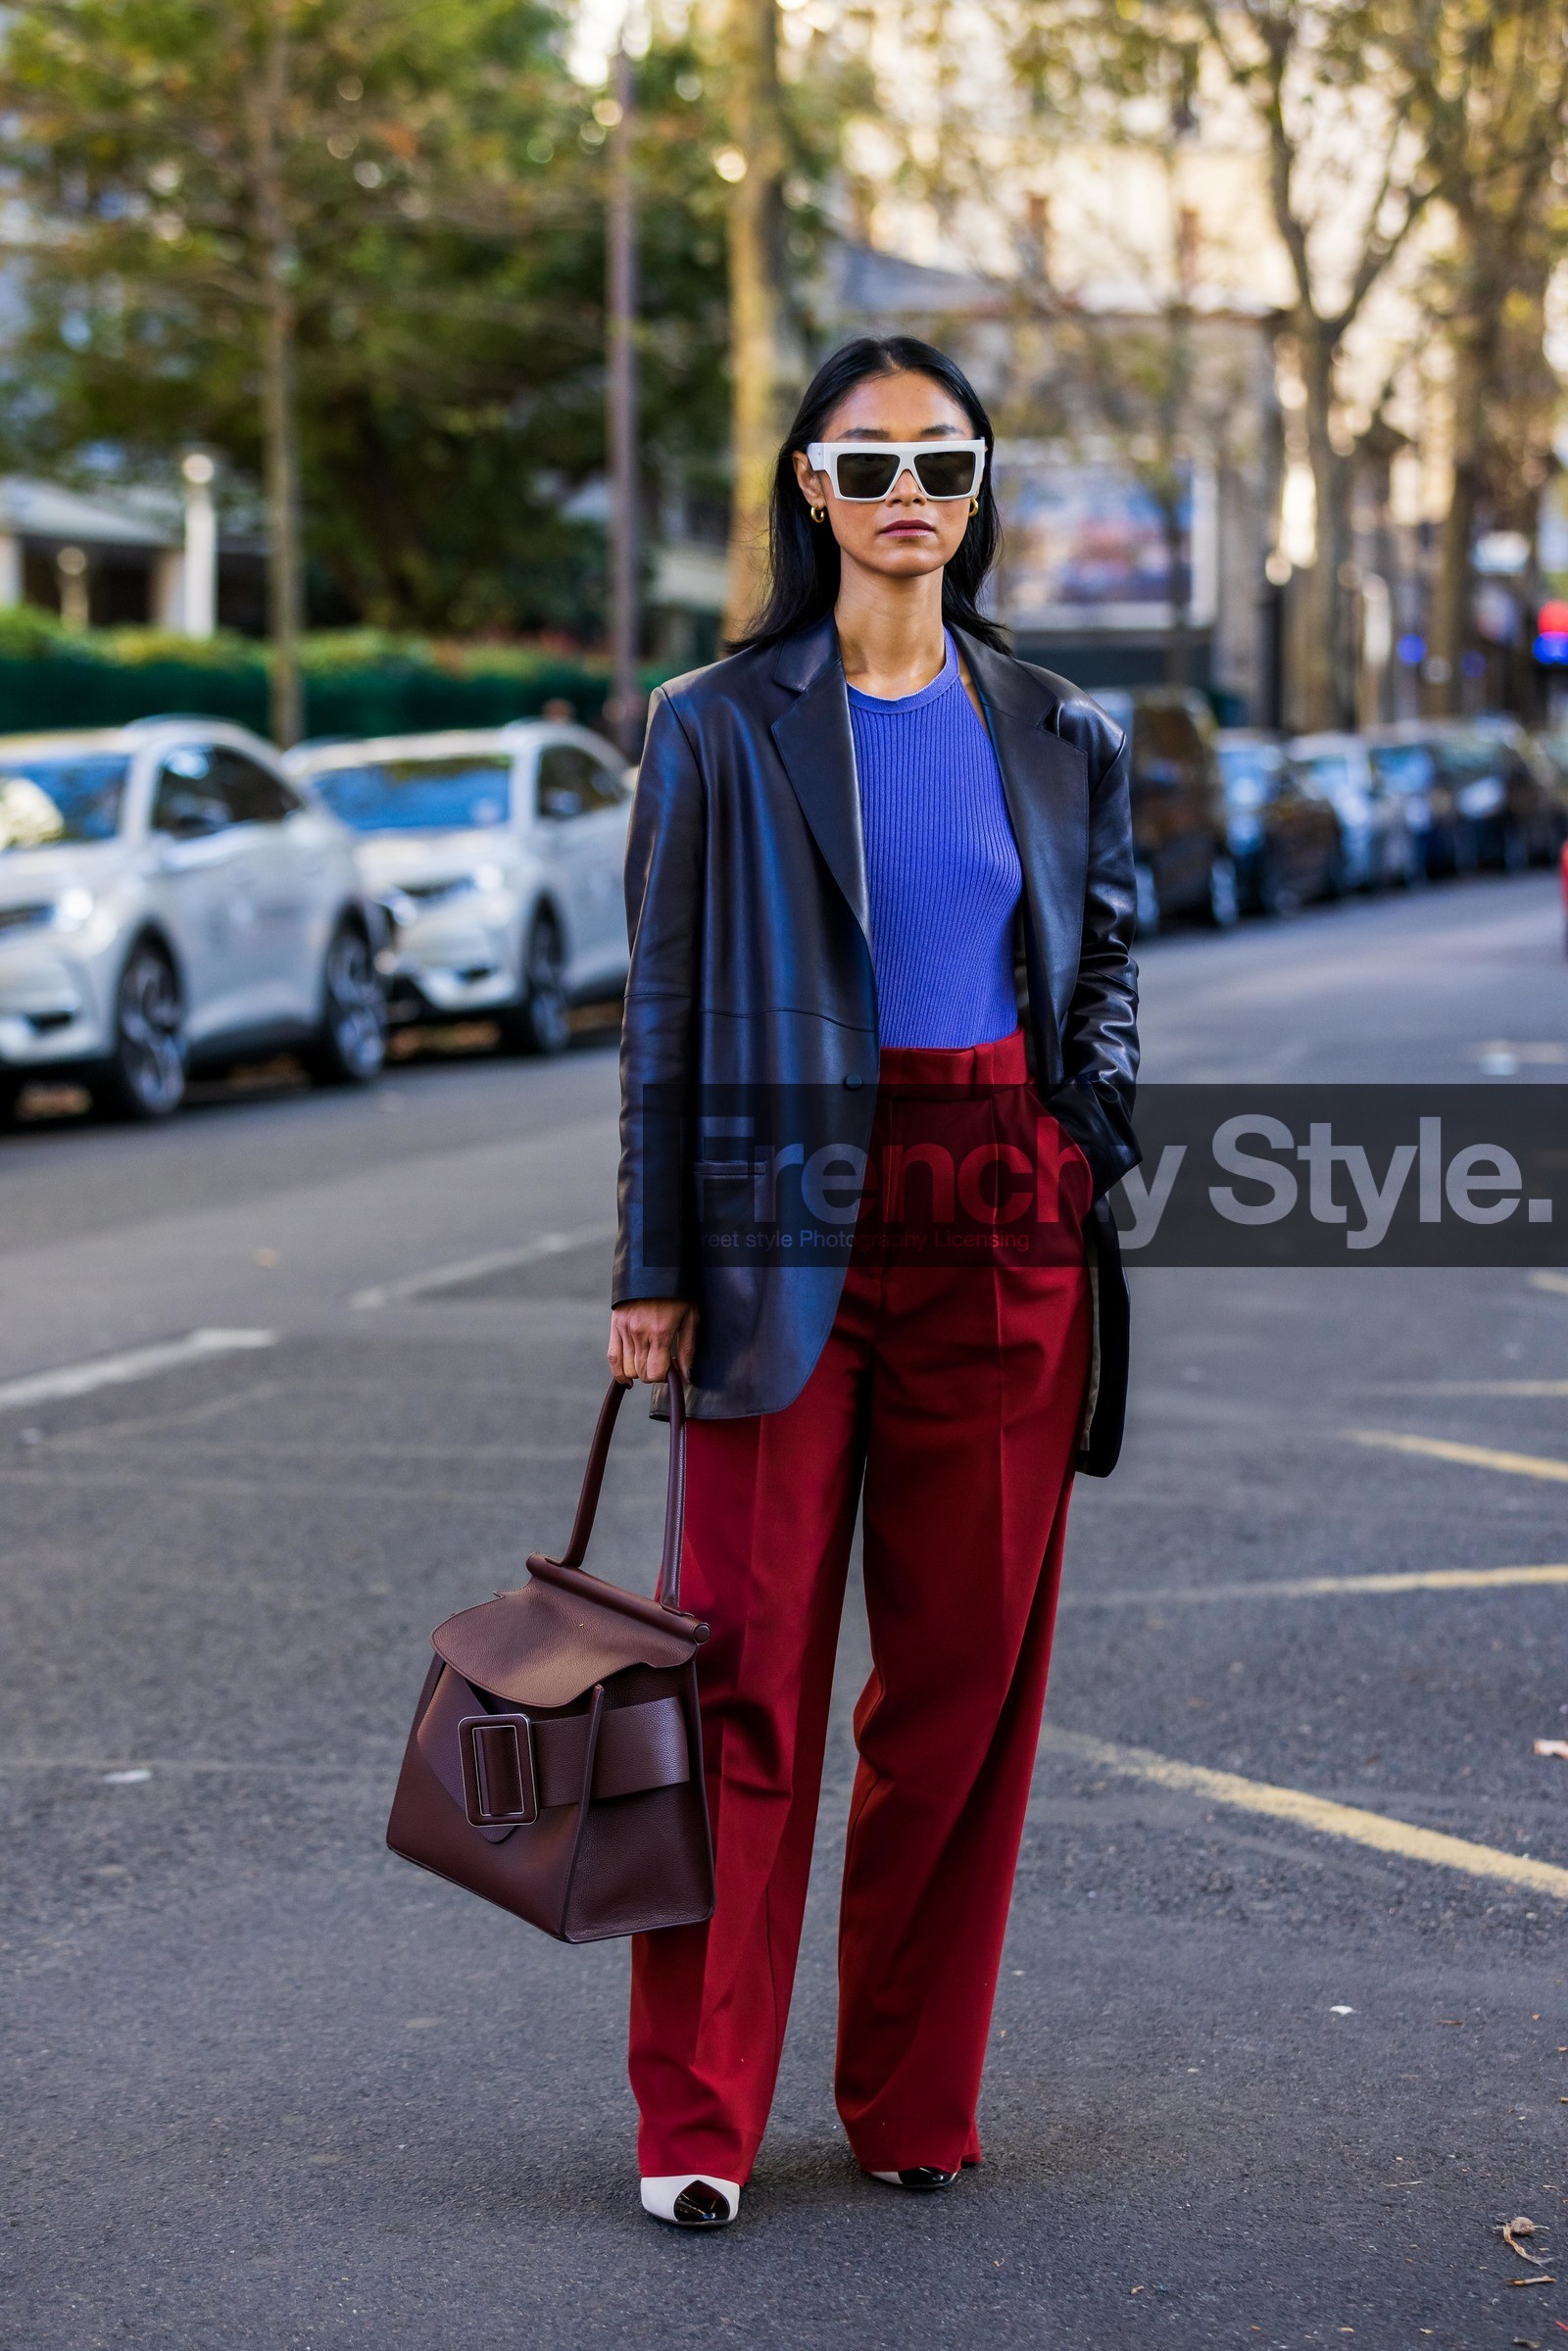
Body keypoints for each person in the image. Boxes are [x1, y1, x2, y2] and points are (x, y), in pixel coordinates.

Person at [608, 334, 1139, 2229]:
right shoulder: (719, 721)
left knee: (960, 1686)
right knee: (739, 1680)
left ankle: (913, 2095)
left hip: (997, 1199)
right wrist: (650, 1262)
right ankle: (699, 2120)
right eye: (869, 458)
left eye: (943, 457)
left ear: (978, 492)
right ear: (810, 486)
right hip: (773, 1203)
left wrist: (1082, 1150)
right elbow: (663, 1008)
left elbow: (1104, 972)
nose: (909, 488)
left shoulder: (1067, 728)